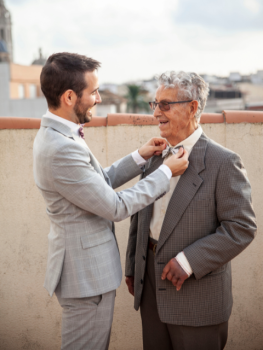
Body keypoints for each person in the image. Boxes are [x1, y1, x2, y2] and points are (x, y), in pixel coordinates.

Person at [33, 53, 189, 350]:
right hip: (85, 279)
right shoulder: (60, 148)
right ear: (69, 97)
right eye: (93, 92)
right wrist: (166, 173)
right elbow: (114, 206)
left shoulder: (58, 135)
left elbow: (96, 182)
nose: (99, 98)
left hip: (85, 275)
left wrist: (137, 156)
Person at [125, 71, 257, 350]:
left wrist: (188, 261)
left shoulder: (224, 162)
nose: (156, 112)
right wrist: (132, 265)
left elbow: (241, 228)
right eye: (155, 104)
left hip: (197, 297)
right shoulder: (154, 157)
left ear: (193, 107)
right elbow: (141, 216)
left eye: (165, 104)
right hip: (150, 289)